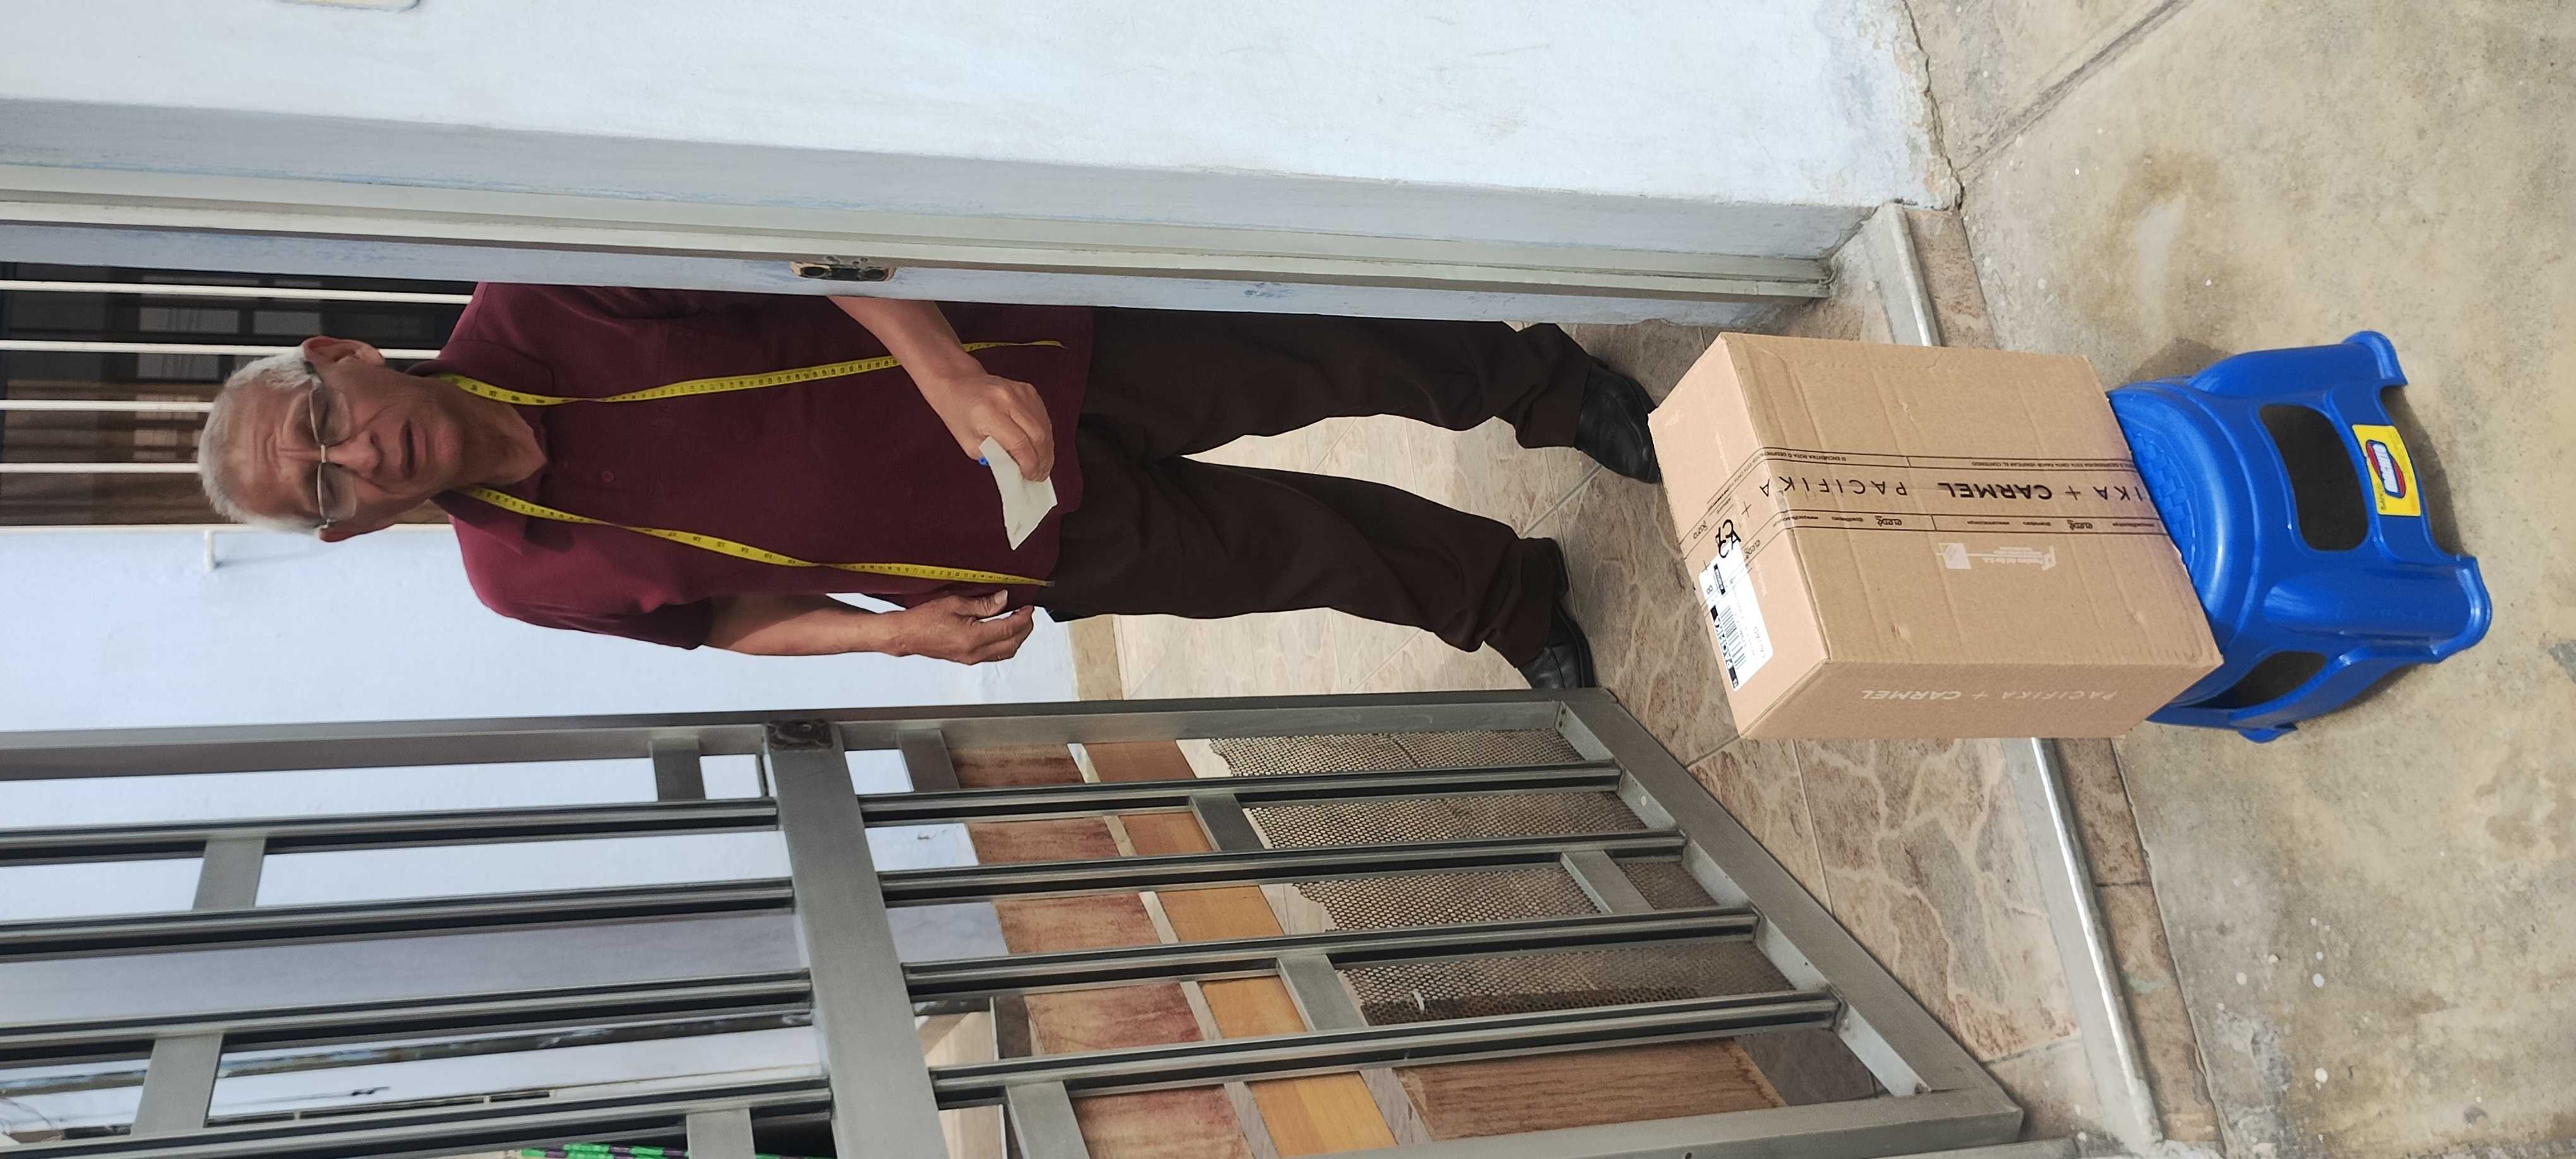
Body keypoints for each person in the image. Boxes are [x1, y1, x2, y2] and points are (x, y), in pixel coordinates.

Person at [193, 287, 1663, 687]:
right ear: (343, 528)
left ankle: (1542, 386)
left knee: (1316, 360)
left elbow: (803, 248)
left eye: (323, 421)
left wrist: (952, 375)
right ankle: (1509, 596)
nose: (354, 456)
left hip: (1026, 368)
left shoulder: (535, 301)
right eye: (320, 486)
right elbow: (720, 621)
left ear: (340, 356)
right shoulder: (514, 576)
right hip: (1002, 545)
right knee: (1284, 556)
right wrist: (893, 634)